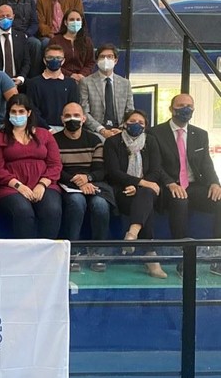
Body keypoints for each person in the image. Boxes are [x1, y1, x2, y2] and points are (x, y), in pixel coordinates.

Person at [150, 94, 221, 275]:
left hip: (193, 185)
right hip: (169, 186)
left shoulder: (200, 134)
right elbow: (155, 165)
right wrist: (170, 183)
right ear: (171, 109)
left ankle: (217, 257)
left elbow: (206, 163)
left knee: (220, 199)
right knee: (180, 201)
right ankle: (183, 257)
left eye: (189, 105)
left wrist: (214, 182)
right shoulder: (155, 133)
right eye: (181, 105)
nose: (185, 109)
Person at [103, 110, 166, 278]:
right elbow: (113, 172)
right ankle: (150, 256)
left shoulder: (151, 142)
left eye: (141, 122)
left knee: (145, 195)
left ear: (145, 126)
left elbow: (156, 170)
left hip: (143, 191)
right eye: (132, 121)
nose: (136, 124)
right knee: (147, 203)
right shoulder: (112, 142)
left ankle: (132, 234)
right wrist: (138, 183)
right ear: (124, 123)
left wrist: (139, 187)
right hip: (121, 191)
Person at [0, 94, 63, 239]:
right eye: (13, 112)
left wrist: (42, 185)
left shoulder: (45, 135)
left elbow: (55, 164)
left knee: (52, 210)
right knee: (23, 212)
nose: (17, 115)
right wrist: (19, 186)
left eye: (21, 111)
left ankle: (46, 255)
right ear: (8, 113)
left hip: (44, 184)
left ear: (29, 113)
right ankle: (25, 257)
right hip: (10, 187)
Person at [54, 102, 115, 272]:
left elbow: (101, 170)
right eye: (67, 116)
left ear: (83, 118)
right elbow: (56, 169)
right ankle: (73, 252)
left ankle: (98, 252)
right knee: (76, 202)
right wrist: (77, 181)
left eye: (76, 115)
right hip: (67, 185)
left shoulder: (95, 140)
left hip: (93, 183)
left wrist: (88, 179)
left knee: (101, 205)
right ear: (61, 119)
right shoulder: (54, 141)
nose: (72, 119)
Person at [80, 44, 134, 138]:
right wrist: (102, 130)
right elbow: (84, 112)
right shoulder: (86, 82)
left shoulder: (125, 83)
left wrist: (121, 129)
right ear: (97, 61)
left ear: (116, 60)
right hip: (95, 132)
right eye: (102, 56)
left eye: (110, 56)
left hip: (120, 130)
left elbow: (130, 111)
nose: (106, 60)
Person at [0, 0, 40, 75]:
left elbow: (34, 23)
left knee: (36, 44)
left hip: (26, 35)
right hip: (7, 33)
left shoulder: (30, 0)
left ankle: (33, 76)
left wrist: (27, 34)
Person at [26, 44, 80, 131]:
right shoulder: (34, 83)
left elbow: (74, 107)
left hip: (66, 129)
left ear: (63, 61)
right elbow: (33, 110)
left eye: (58, 58)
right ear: (44, 60)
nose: (54, 60)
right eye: (50, 57)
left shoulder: (71, 83)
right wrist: (47, 129)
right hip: (41, 129)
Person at [0, 4, 31, 86]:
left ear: (13, 17)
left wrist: (21, 78)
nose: (5, 19)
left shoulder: (21, 37)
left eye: (8, 16)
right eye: (2, 16)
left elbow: (26, 62)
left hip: (18, 81)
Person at [48, 9, 95, 81]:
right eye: (72, 20)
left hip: (82, 79)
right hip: (60, 78)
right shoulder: (55, 40)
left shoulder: (87, 41)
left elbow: (90, 62)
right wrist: (71, 75)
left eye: (78, 19)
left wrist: (81, 75)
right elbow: (51, 62)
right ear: (65, 22)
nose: (75, 22)